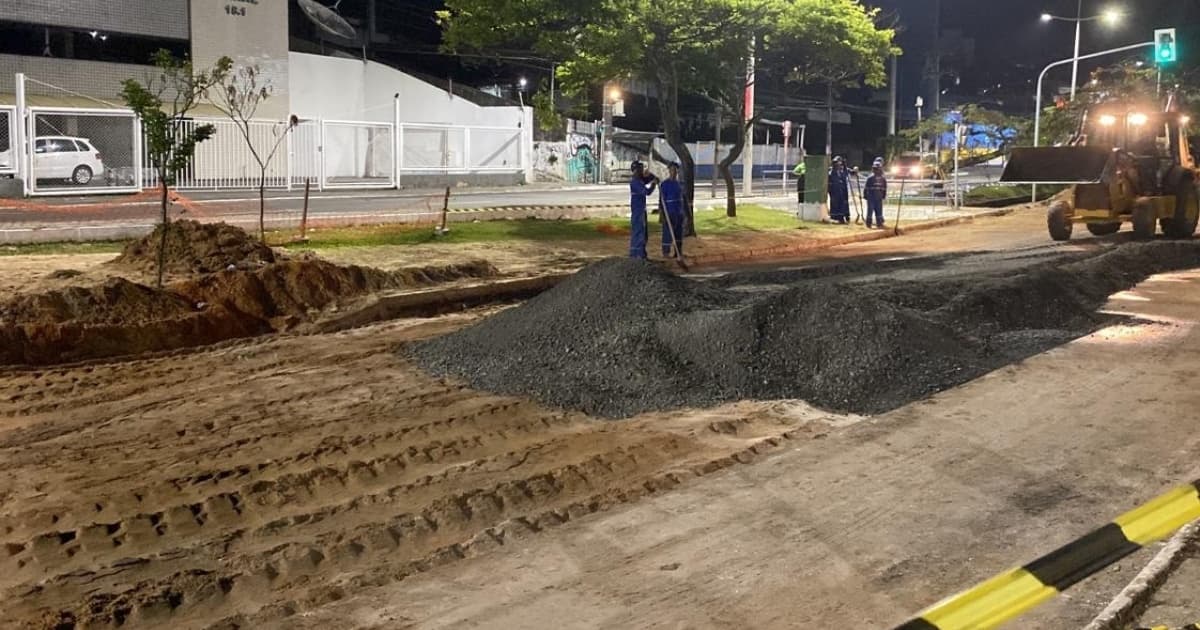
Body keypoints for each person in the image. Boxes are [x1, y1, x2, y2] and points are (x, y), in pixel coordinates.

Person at [628, 160, 658, 259]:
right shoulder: (635, 183)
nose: (642, 171)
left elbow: (649, 178)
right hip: (638, 211)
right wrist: (653, 185)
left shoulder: (640, 180)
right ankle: (636, 255)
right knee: (639, 232)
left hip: (642, 210)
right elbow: (647, 192)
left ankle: (641, 253)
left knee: (644, 234)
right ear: (635, 171)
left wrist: (652, 176)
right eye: (640, 169)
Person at [659, 162, 686, 257]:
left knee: (678, 233)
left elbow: (684, 199)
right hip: (669, 212)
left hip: (679, 212)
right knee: (667, 233)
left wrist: (685, 213)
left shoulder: (680, 184)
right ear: (669, 171)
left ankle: (678, 252)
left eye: (675, 170)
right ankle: (666, 252)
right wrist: (662, 214)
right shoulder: (664, 184)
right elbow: (661, 201)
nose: (673, 172)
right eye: (672, 170)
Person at [864, 157, 888, 229]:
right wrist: (865, 195)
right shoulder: (870, 178)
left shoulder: (883, 179)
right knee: (870, 211)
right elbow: (866, 188)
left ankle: (879, 223)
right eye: (875, 169)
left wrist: (883, 196)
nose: (876, 170)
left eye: (877, 169)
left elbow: (884, 189)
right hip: (871, 197)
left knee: (879, 211)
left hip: (879, 197)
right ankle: (869, 223)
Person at [828, 156, 850, 224]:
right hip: (835, 192)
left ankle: (844, 217)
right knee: (836, 205)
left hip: (842, 191)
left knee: (843, 204)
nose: (839, 166)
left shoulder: (842, 172)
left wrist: (845, 165)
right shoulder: (831, 173)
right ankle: (837, 218)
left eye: (840, 164)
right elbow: (830, 184)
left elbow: (846, 174)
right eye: (837, 164)